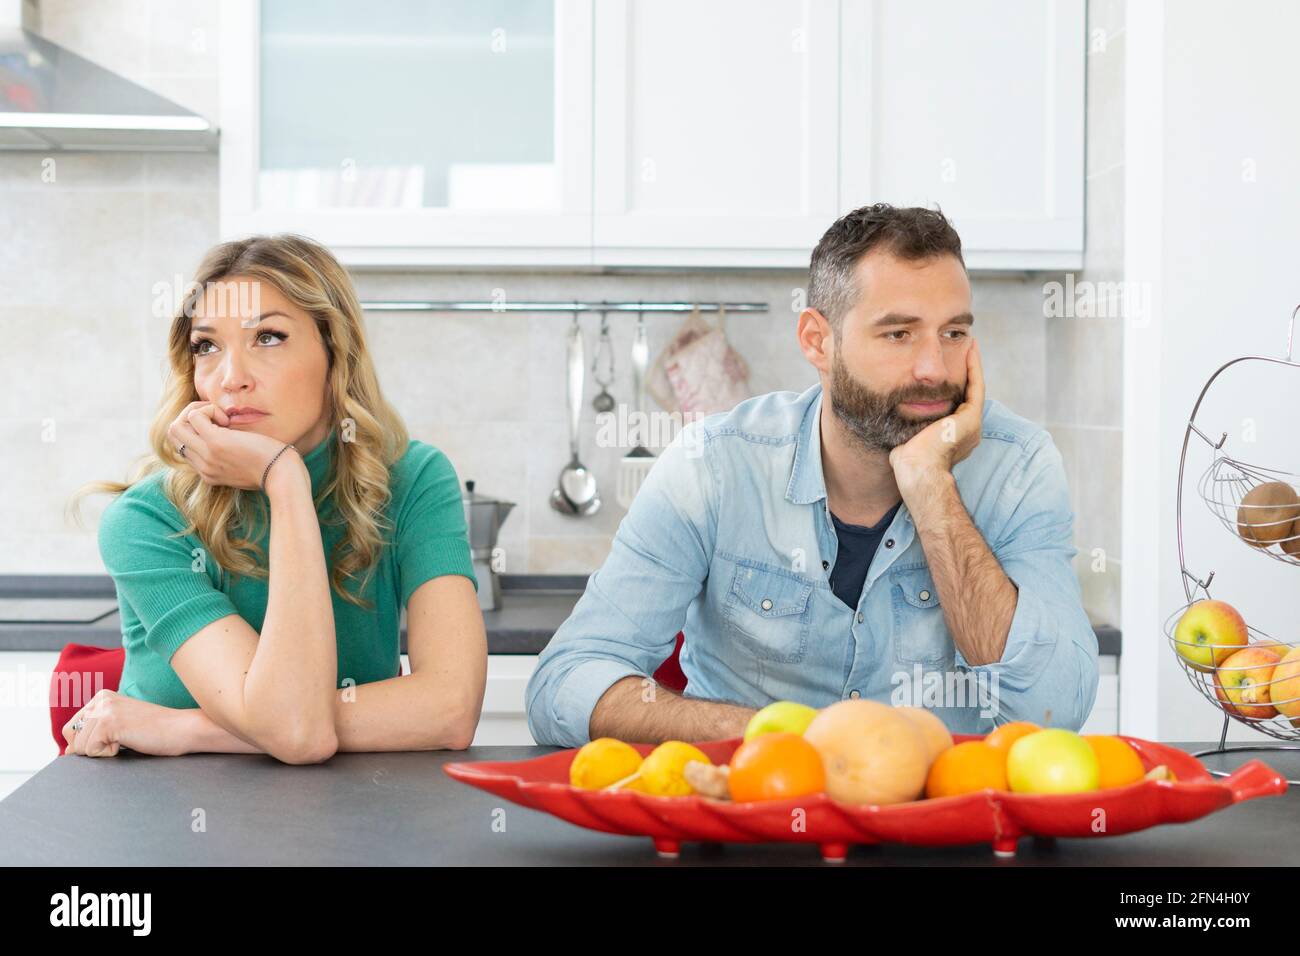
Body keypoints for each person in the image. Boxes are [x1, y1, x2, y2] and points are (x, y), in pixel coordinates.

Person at [526, 203, 1099, 747]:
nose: (934, 368)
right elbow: (565, 682)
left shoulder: (1018, 467)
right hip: (750, 823)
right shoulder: (715, 466)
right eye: (899, 334)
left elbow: (1050, 712)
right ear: (817, 340)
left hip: (945, 835)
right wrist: (775, 737)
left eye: (953, 333)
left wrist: (931, 487)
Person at [66, 235, 487, 762]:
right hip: (167, 810)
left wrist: (186, 729)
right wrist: (285, 479)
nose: (230, 379)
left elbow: (451, 709)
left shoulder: (413, 478)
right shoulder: (147, 520)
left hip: (357, 810)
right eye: (207, 346)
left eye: (267, 337)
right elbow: (295, 731)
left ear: (336, 353)